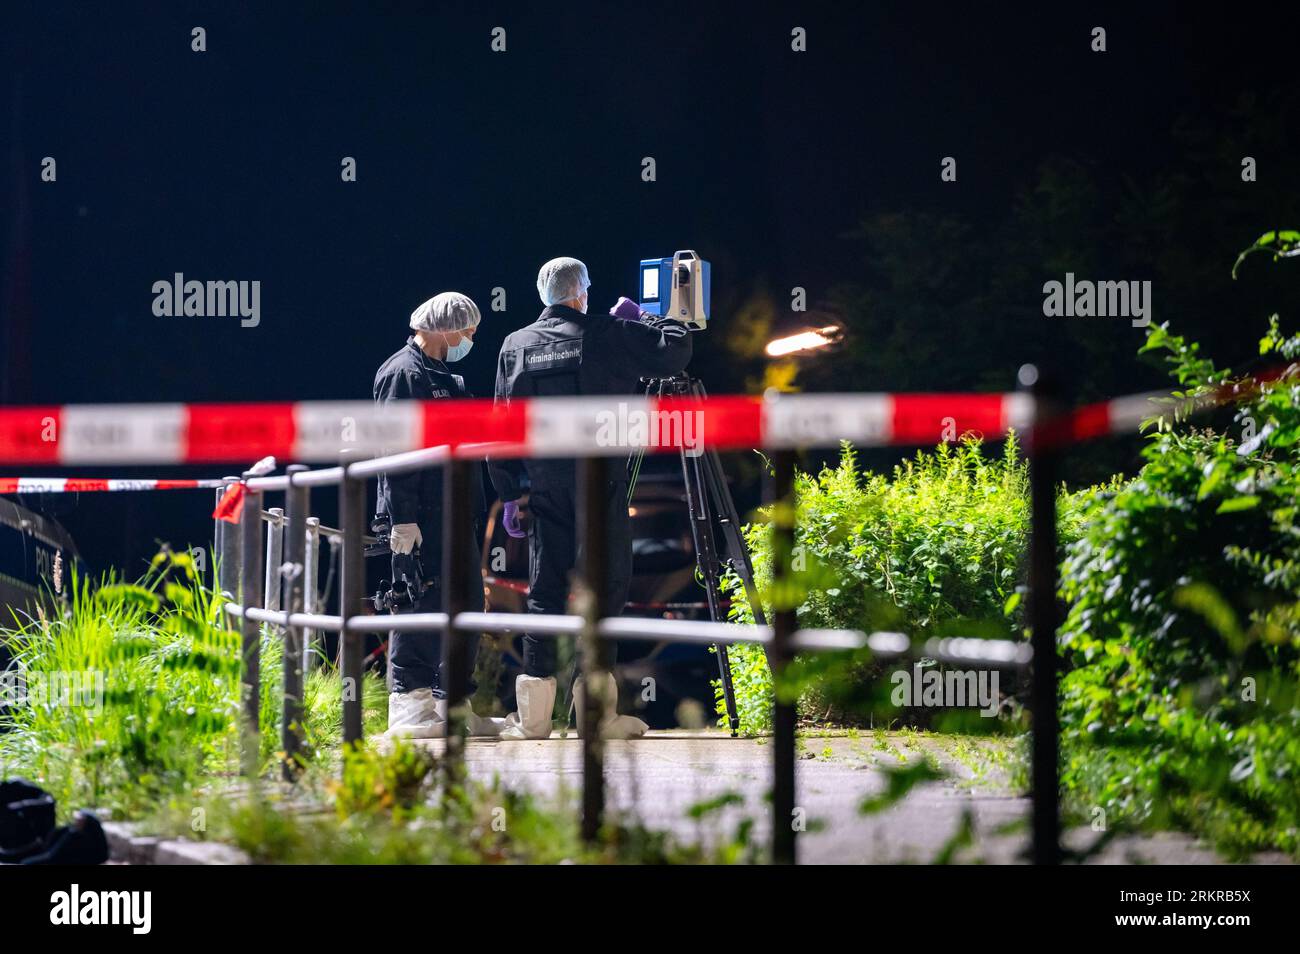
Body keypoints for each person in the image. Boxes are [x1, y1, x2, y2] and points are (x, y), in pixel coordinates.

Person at [488, 257, 693, 740]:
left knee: (544, 591)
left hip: (543, 484)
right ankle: (597, 717)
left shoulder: (514, 345)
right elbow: (674, 352)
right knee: (606, 586)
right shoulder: (606, 332)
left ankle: (534, 719)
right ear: (581, 292)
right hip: (600, 479)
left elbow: (500, 425)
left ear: (544, 293)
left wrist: (511, 493)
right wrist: (654, 317)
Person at [374, 291, 498, 738]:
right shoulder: (402, 374)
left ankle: (454, 707)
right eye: (466, 330)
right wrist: (402, 518)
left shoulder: (444, 374)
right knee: (419, 601)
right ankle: (410, 709)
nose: (469, 338)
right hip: (421, 515)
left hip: (456, 509)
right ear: (442, 326)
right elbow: (395, 449)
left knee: (465, 604)